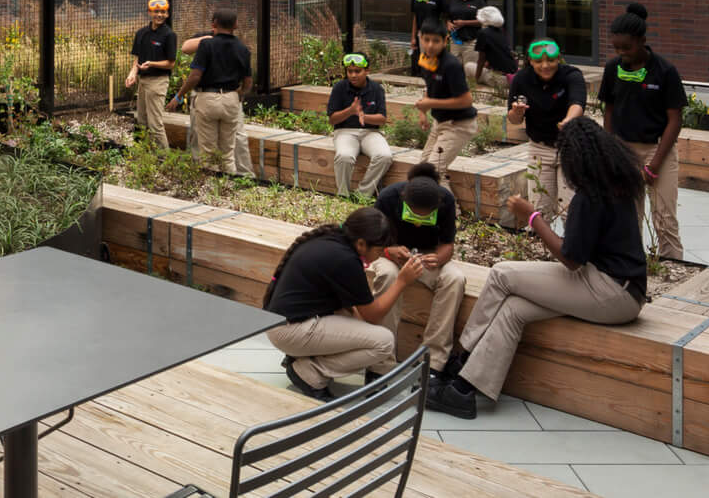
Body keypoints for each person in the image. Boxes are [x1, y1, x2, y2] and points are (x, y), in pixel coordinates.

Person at [425, 116, 648, 418]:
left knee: (502, 273)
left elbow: (570, 259)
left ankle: (459, 356)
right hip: (620, 290)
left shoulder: (590, 196)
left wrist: (532, 217)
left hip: (611, 292)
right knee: (515, 309)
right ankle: (464, 390)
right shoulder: (614, 181)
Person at [262, 206, 427, 399]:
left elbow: (355, 309)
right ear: (361, 244)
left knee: (360, 325)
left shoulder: (333, 239)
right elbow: (373, 315)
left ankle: (302, 357)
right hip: (290, 331)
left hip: (282, 322)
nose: (381, 255)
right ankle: (310, 372)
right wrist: (402, 281)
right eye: (379, 250)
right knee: (383, 342)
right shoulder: (346, 259)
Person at [370, 164, 470, 374]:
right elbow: (371, 242)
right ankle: (380, 362)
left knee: (455, 279)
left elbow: (447, 244)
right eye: (414, 215)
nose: (418, 223)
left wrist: (439, 258)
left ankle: (433, 363)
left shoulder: (446, 200)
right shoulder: (388, 197)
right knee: (388, 275)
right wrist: (389, 251)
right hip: (388, 253)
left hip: (426, 258)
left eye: (425, 216)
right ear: (404, 199)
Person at [604, 3, 685, 261]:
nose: (621, 53)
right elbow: (609, 110)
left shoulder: (665, 71)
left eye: (626, 48)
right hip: (623, 151)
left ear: (642, 41)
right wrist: (610, 149)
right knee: (628, 217)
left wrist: (655, 164)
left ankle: (673, 268)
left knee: (664, 219)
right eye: (616, 48)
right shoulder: (612, 68)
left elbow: (675, 119)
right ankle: (632, 267)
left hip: (658, 150)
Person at [507, 38, 587, 219]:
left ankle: (573, 246)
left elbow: (578, 103)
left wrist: (568, 120)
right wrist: (517, 112)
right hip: (539, 147)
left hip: (569, 146)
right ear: (530, 61)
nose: (545, 66)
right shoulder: (522, 79)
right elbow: (512, 119)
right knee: (539, 210)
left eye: (550, 61)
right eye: (538, 61)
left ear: (558, 59)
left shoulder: (571, 75)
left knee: (570, 209)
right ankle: (543, 246)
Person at [178, 8, 251, 176]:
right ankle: (232, 184)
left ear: (214, 24)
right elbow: (248, 81)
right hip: (231, 98)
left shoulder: (206, 44)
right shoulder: (242, 48)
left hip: (207, 97)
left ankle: (210, 186)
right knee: (228, 152)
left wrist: (179, 95)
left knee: (207, 150)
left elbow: (195, 75)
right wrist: (239, 95)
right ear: (236, 25)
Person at [407, 20, 480, 171]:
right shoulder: (425, 60)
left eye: (436, 41)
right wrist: (423, 112)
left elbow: (466, 100)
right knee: (424, 168)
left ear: (445, 41)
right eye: (426, 40)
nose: (430, 45)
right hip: (439, 122)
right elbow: (430, 86)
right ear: (420, 38)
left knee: (433, 170)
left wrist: (430, 103)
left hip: (459, 124)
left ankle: (442, 195)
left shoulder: (451, 65)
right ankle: (443, 195)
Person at [326, 52, 393, 197]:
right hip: (344, 132)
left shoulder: (376, 89)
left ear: (367, 71)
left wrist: (364, 116)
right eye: (350, 71)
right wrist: (350, 111)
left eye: (357, 71)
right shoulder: (339, 87)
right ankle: (343, 195)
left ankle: (362, 195)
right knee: (344, 156)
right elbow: (332, 120)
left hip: (371, 132)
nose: (353, 75)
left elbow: (382, 119)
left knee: (384, 156)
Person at [124, 0, 177, 149]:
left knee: (155, 124)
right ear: (149, 13)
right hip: (143, 81)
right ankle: (143, 155)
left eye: (162, 12)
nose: (159, 15)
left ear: (167, 14)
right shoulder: (141, 33)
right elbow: (137, 59)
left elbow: (171, 63)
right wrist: (132, 73)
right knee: (141, 121)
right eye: (156, 12)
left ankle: (164, 160)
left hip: (158, 82)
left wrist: (152, 64)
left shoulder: (169, 35)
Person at [469, 5, 516, 92]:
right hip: (511, 76)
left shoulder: (483, 33)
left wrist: (475, 80)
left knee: (468, 66)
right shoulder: (500, 31)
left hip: (500, 79)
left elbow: (481, 59)